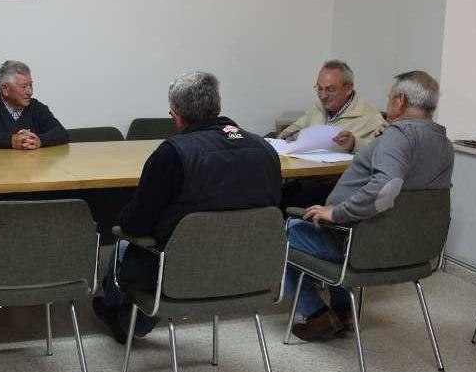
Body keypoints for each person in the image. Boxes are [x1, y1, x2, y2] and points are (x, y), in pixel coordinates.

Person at [93, 71, 282, 343]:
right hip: (246, 270)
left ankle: (122, 316)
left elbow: (136, 223)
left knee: (123, 242)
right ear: (216, 106)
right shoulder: (264, 149)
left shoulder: (172, 153)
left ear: (177, 115)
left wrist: (120, 217)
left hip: (182, 270)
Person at [284, 70, 453, 341]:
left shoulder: (398, 137)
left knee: (285, 231)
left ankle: (316, 314)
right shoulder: (443, 143)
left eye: (389, 98)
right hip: (408, 248)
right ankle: (343, 311)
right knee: (321, 227)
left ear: (400, 100)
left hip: (361, 244)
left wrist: (335, 212)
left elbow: (386, 190)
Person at [279, 60, 385, 153]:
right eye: (320, 89)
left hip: (339, 174)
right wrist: (287, 136)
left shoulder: (370, 116)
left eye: (330, 90)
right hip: (306, 169)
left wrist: (353, 144)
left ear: (348, 88)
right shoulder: (318, 108)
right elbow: (295, 128)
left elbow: (381, 151)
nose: (323, 96)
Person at [0, 60, 68, 149]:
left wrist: (40, 141)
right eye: (24, 87)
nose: (30, 91)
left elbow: (62, 133)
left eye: (30, 85)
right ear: (5, 89)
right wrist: (10, 141)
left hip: (32, 171)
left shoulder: (36, 107)